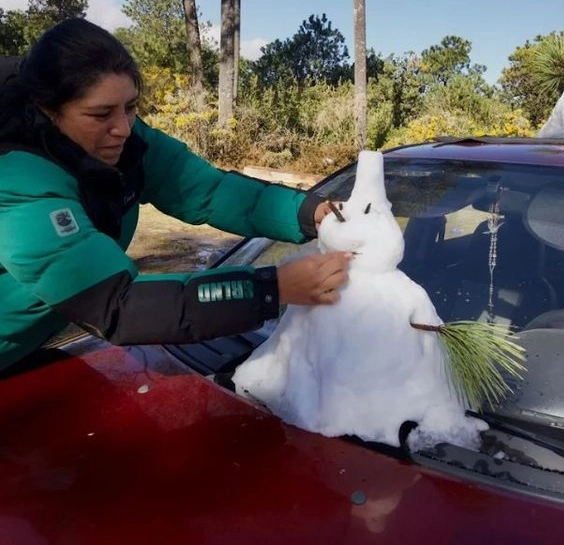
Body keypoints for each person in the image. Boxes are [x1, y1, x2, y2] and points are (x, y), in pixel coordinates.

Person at [0, 18, 352, 372]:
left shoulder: (128, 142)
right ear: (46, 108)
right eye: (100, 114)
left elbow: (210, 191)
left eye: (131, 107)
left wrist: (308, 212)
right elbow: (119, 304)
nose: (123, 128)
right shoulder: (17, 182)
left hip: (27, 346)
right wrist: (269, 289)